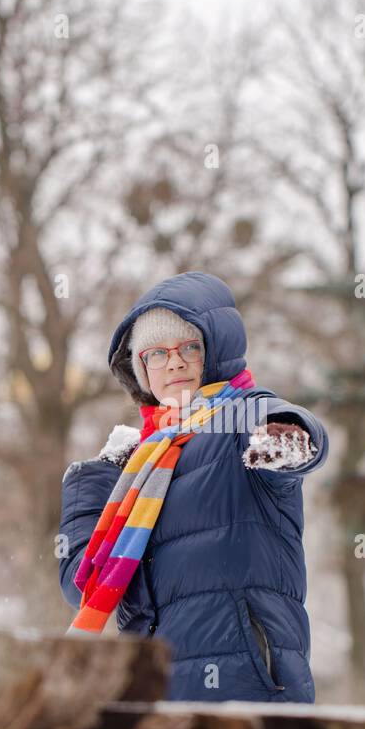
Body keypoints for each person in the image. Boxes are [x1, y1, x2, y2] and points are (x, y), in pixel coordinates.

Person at [58, 271, 328, 703]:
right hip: (153, 695)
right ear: (141, 369)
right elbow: (82, 587)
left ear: (216, 352)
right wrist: (90, 487)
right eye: (157, 354)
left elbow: (295, 434)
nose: (175, 363)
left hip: (247, 683)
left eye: (190, 347)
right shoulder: (132, 470)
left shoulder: (239, 417)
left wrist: (285, 436)